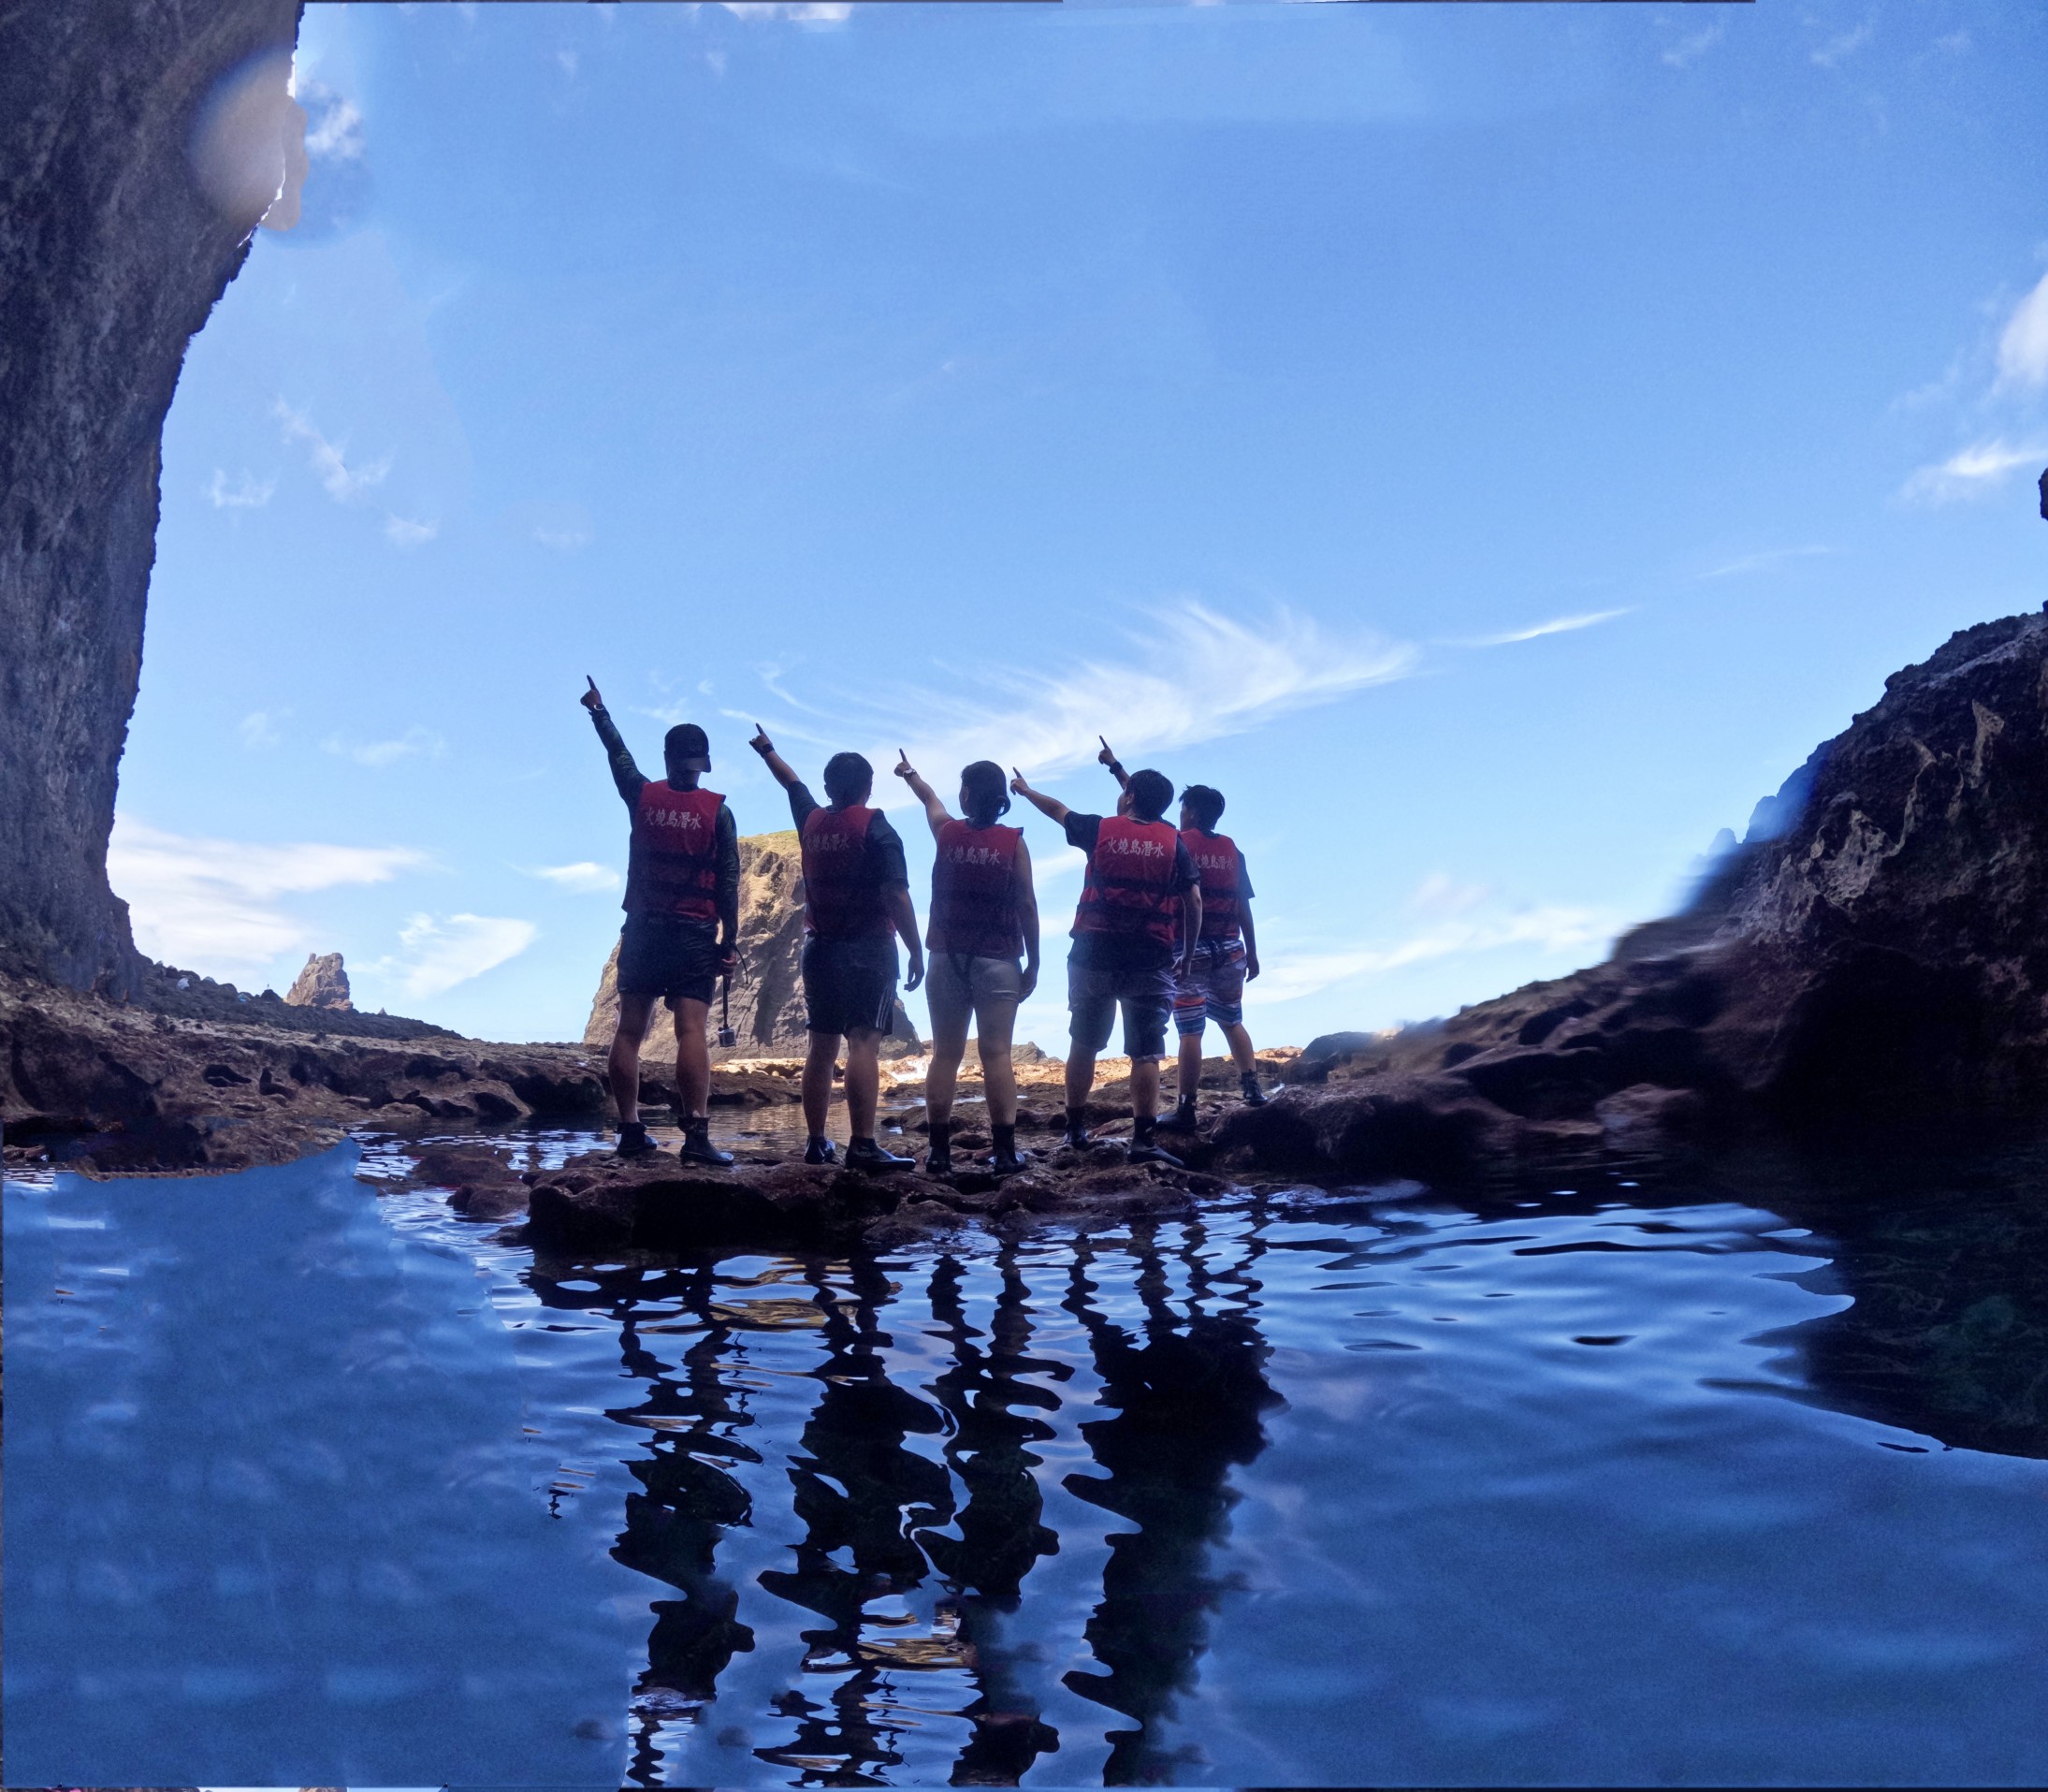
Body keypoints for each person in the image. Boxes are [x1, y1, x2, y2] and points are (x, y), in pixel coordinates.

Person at [749, 725, 924, 1169]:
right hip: (868, 948)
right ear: (868, 788)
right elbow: (896, 895)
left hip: (820, 948)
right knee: (863, 1042)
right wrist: (916, 949)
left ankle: (815, 1141)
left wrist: (767, 749)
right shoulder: (877, 827)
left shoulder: (810, 820)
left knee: (821, 1048)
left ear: (828, 787)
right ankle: (863, 1145)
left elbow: (791, 782)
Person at [581, 677, 738, 1165]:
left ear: (668, 759)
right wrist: (728, 941)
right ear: (698, 762)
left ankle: (630, 1131)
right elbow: (728, 883)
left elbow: (619, 757)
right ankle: (695, 1137)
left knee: (630, 1030)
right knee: (692, 1030)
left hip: (645, 932)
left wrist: (599, 712)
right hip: (694, 934)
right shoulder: (718, 812)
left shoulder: (642, 796)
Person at [1009, 762, 1199, 1166]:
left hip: (1093, 952)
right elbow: (1193, 901)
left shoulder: (1099, 829)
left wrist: (1024, 791)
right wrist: (1187, 951)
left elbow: (1056, 808)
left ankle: (1074, 1131)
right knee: (1146, 1052)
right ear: (1164, 805)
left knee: (1085, 1041)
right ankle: (1144, 1141)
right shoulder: (1173, 841)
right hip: (1150, 955)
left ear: (1130, 797)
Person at [1097, 741, 1267, 1125]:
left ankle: (1186, 1108)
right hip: (1230, 948)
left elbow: (1141, 804)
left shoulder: (1175, 841)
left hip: (1188, 950)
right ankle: (1252, 1087)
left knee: (1190, 1030)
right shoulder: (1232, 851)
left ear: (1189, 812)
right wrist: (1253, 953)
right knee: (1232, 1019)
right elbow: (1244, 907)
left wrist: (1115, 767)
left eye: (1184, 808)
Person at [894, 751, 1040, 1176]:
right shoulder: (1013, 842)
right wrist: (1033, 963)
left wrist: (911, 775)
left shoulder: (947, 833)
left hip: (946, 958)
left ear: (967, 793)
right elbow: (1027, 905)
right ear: (1000, 800)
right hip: (998, 960)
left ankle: (939, 1154)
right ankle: (1006, 1153)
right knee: (996, 1055)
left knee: (945, 1054)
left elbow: (929, 800)